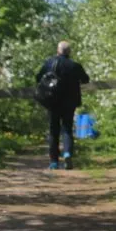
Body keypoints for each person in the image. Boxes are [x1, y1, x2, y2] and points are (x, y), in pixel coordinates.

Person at [35, 41, 91, 170]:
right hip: (69, 102)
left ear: (57, 50)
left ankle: (54, 161)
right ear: (69, 52)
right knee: (67, 129)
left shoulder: (49, 63)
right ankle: (67, 153)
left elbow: (38, 78)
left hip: (52, 101)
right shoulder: (74, 65)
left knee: (53, 131)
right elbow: (85, 79)